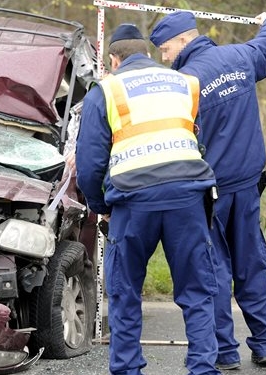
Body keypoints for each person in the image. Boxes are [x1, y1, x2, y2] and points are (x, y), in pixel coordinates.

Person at [75, 23, 222, 375]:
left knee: (125, 293)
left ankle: (127, 370)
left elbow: (90, 165)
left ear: (113, 59)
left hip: (133, 202)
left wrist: (101, 207)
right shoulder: (184, 83)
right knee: (197, 289)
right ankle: (203, 367)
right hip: (188, 197)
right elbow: (195, 138)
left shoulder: (106, 90)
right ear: (148, 53)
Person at [149, 11, 266, 370]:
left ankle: (225, 352)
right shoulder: (241, 57)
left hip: (209, 194)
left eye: (165, 49)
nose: (164, 57)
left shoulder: (184, 81)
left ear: (182, 40)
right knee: (251, 263)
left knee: (212, 272)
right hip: (250, 186)